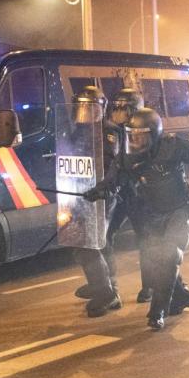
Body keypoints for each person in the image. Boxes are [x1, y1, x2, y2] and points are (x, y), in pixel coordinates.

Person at [86, 108, 189, 330]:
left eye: (141, 136)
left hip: (180, 210)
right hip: (152, 213)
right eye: (131, 136)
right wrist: (96, 192)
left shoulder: (172, 146)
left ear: (154, 135)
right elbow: (112, 182)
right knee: (156, 260)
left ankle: (157, 312)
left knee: (169, 256)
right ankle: (182, 296)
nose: (135, 142)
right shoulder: (125, 157)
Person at [74, 88, 154, 304]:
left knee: (146, 238)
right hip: (117, 192)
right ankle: (106, 285)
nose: (118, 112)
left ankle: (150, 286)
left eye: (124, 108)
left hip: (137, 194)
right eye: (116, 107)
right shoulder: (107, 131)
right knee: (104, 237)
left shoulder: (141, 130)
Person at [66, 87, 122, 318]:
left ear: (101, 109)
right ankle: (108, 286)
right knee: (99, 242)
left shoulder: (108, 133)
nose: (84, 113)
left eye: (89, 108)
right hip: (80, 194)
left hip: (100, 196)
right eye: (80, 108)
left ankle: (104, 293)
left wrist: (100, 189)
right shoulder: (78, 132)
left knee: (86, 244)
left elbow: (109, 166)